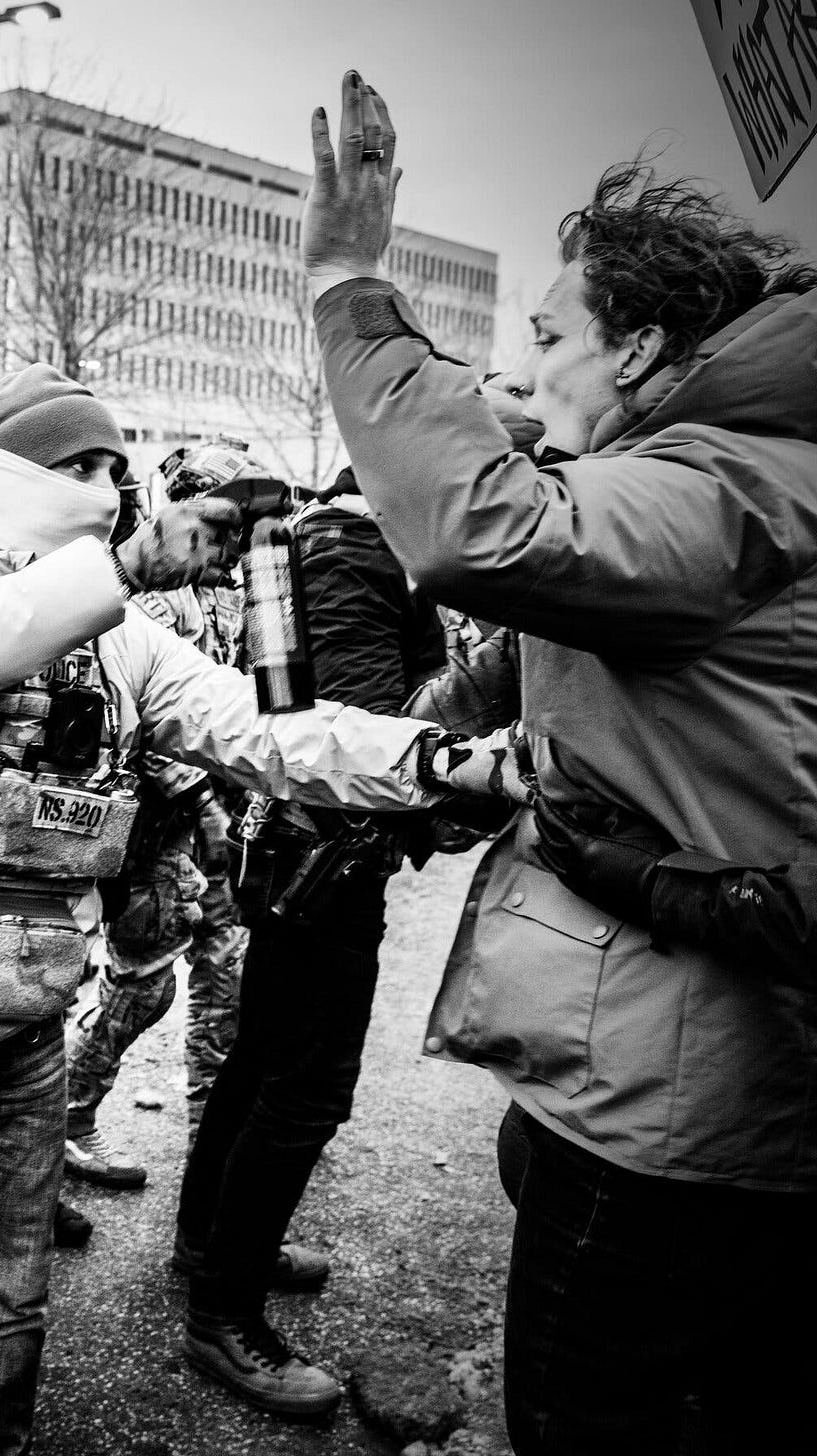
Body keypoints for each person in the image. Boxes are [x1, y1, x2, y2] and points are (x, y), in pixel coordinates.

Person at [0, 361, 523, 1456]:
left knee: (9, 1300)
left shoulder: (117, 634)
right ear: (8, 471)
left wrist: (442, 759)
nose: (102, 487)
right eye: (76, 465)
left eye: (112, 467)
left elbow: (266, 730)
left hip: (26, 1023)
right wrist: (125, 565)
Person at [304, 72, 817, 1455]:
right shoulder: (724, 468)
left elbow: (483, 531)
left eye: (547, 336)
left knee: (585, 1417)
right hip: (681, 1086)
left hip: (681, 1115)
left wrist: (349, 286)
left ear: (641, 345)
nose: (523, 374)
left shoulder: (726, 480)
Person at [174, 462, 446, 1417]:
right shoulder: (360, 546)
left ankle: (211, 1249)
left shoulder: (337, 539)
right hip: (328, 858)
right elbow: (361, 732)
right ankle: (226, 1313)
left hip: (305, 851)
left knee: (262, 1061)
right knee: (305, 1089)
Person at [62, 445, 256, 1193]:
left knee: (226, 980)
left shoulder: (238, 590)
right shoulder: (153, 600)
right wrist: (200, 800)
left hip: (220, 825)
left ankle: (214, 1147)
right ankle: (67, 1117)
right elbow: (132, 718)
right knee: (143, 984)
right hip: (160, 829)